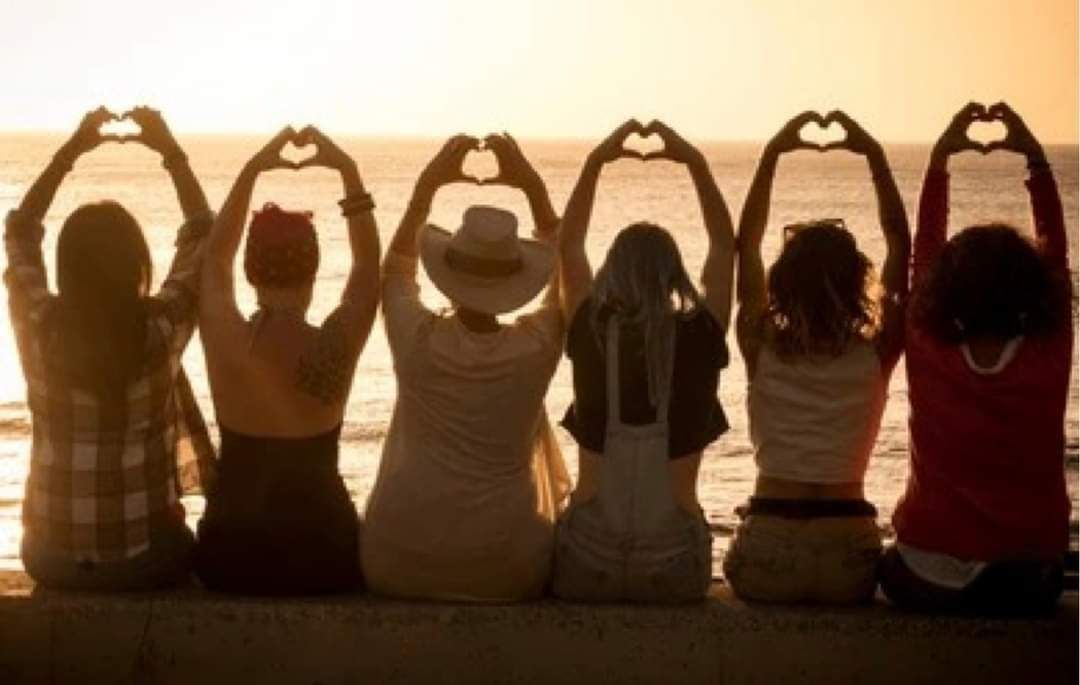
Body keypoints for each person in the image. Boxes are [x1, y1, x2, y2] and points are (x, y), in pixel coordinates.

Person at [7, 107, 216, 590]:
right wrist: (170, 152)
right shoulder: (160, 329)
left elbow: (19, 231)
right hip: (145, 562)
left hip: (49, 558)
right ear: (135, 265)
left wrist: (72, 151)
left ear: (67, 268)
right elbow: (205, 232)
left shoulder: (39, 328)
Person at [880, 102, 1074, 616]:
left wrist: (941, 159)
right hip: (1024, 579)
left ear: (945, 290)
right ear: (1034, 290)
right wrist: (1035, 161)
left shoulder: (928, 346)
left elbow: (923, 254)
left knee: (886, 563)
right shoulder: (1048, 351)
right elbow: (1056, 258)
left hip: (926, 577)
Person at [361, 133, 569, 602]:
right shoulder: (535, 347)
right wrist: (533, 189)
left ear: (449, 276)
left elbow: (395, 270)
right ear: (516, 279)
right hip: (506, 567)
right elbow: (573, 285)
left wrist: (427, 188)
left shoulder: (417, 339)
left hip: (397, 557)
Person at [722, 111, 910, 604]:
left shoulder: (760, 344)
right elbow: (899, 243)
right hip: (848, 554)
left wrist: (772, 156)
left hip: (769, 547)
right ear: (857, 282)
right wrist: (873, 155)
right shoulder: (877, 351)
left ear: (782, 283)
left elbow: (747, 247)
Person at [550, 120, 735, 602]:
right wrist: (694, 161)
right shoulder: (700, 333)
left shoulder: (590, 327)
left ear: (611, 269)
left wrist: (596, 163)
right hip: (672, 566)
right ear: (675, 274)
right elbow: (723, 247)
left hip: (587, 563)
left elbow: (567, 247)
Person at [193, 126, 379, 594]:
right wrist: (347, 171)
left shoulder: (226, 338)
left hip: (228, 554)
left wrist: (253, 168)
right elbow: (366, 267)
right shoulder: (334, 345)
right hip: (323, 553)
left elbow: (215, 257)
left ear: (250, 270)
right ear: (314, 269)